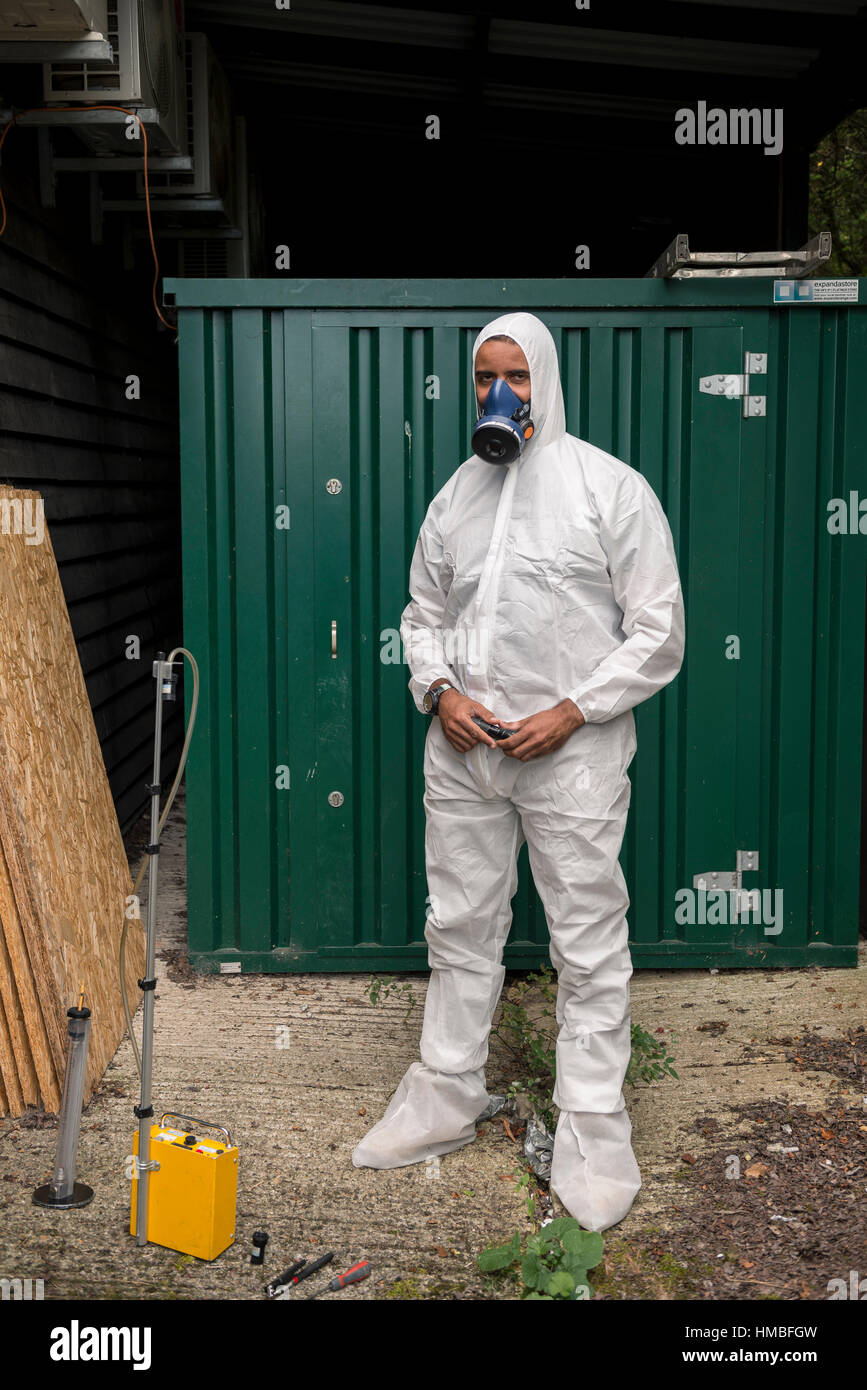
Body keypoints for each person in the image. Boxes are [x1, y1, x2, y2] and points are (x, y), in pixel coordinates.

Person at [352, 311, 685, 1231]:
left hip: (570, 755)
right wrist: (438, 689)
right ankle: (446, 1090)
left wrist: (573, 709)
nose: (501, 393)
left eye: (519, 376)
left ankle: (591, 1124)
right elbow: (422, 614)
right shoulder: (455, 496)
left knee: (585, 940)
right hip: (463, 750)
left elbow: (660, 631)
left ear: (545, 378)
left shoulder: (607, 491)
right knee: (458, 923)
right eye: (484, 376)